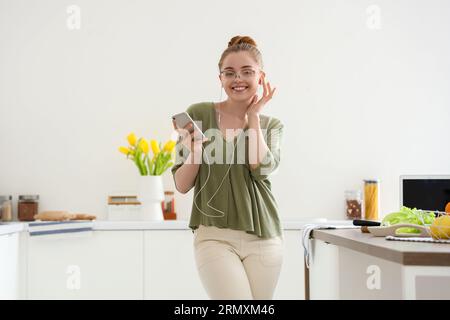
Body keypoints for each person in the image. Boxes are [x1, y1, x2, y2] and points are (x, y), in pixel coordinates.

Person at [171, 35, 284, 300]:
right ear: (220, 79)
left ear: (261, 77)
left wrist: (254, 116)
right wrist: (196, 151)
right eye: (229, 73)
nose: (238, 79)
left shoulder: (272, 125)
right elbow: (182, 185)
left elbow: (261, 168)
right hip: (214, 236)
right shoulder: (198, 113)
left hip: (265, 236)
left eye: (247, 72)